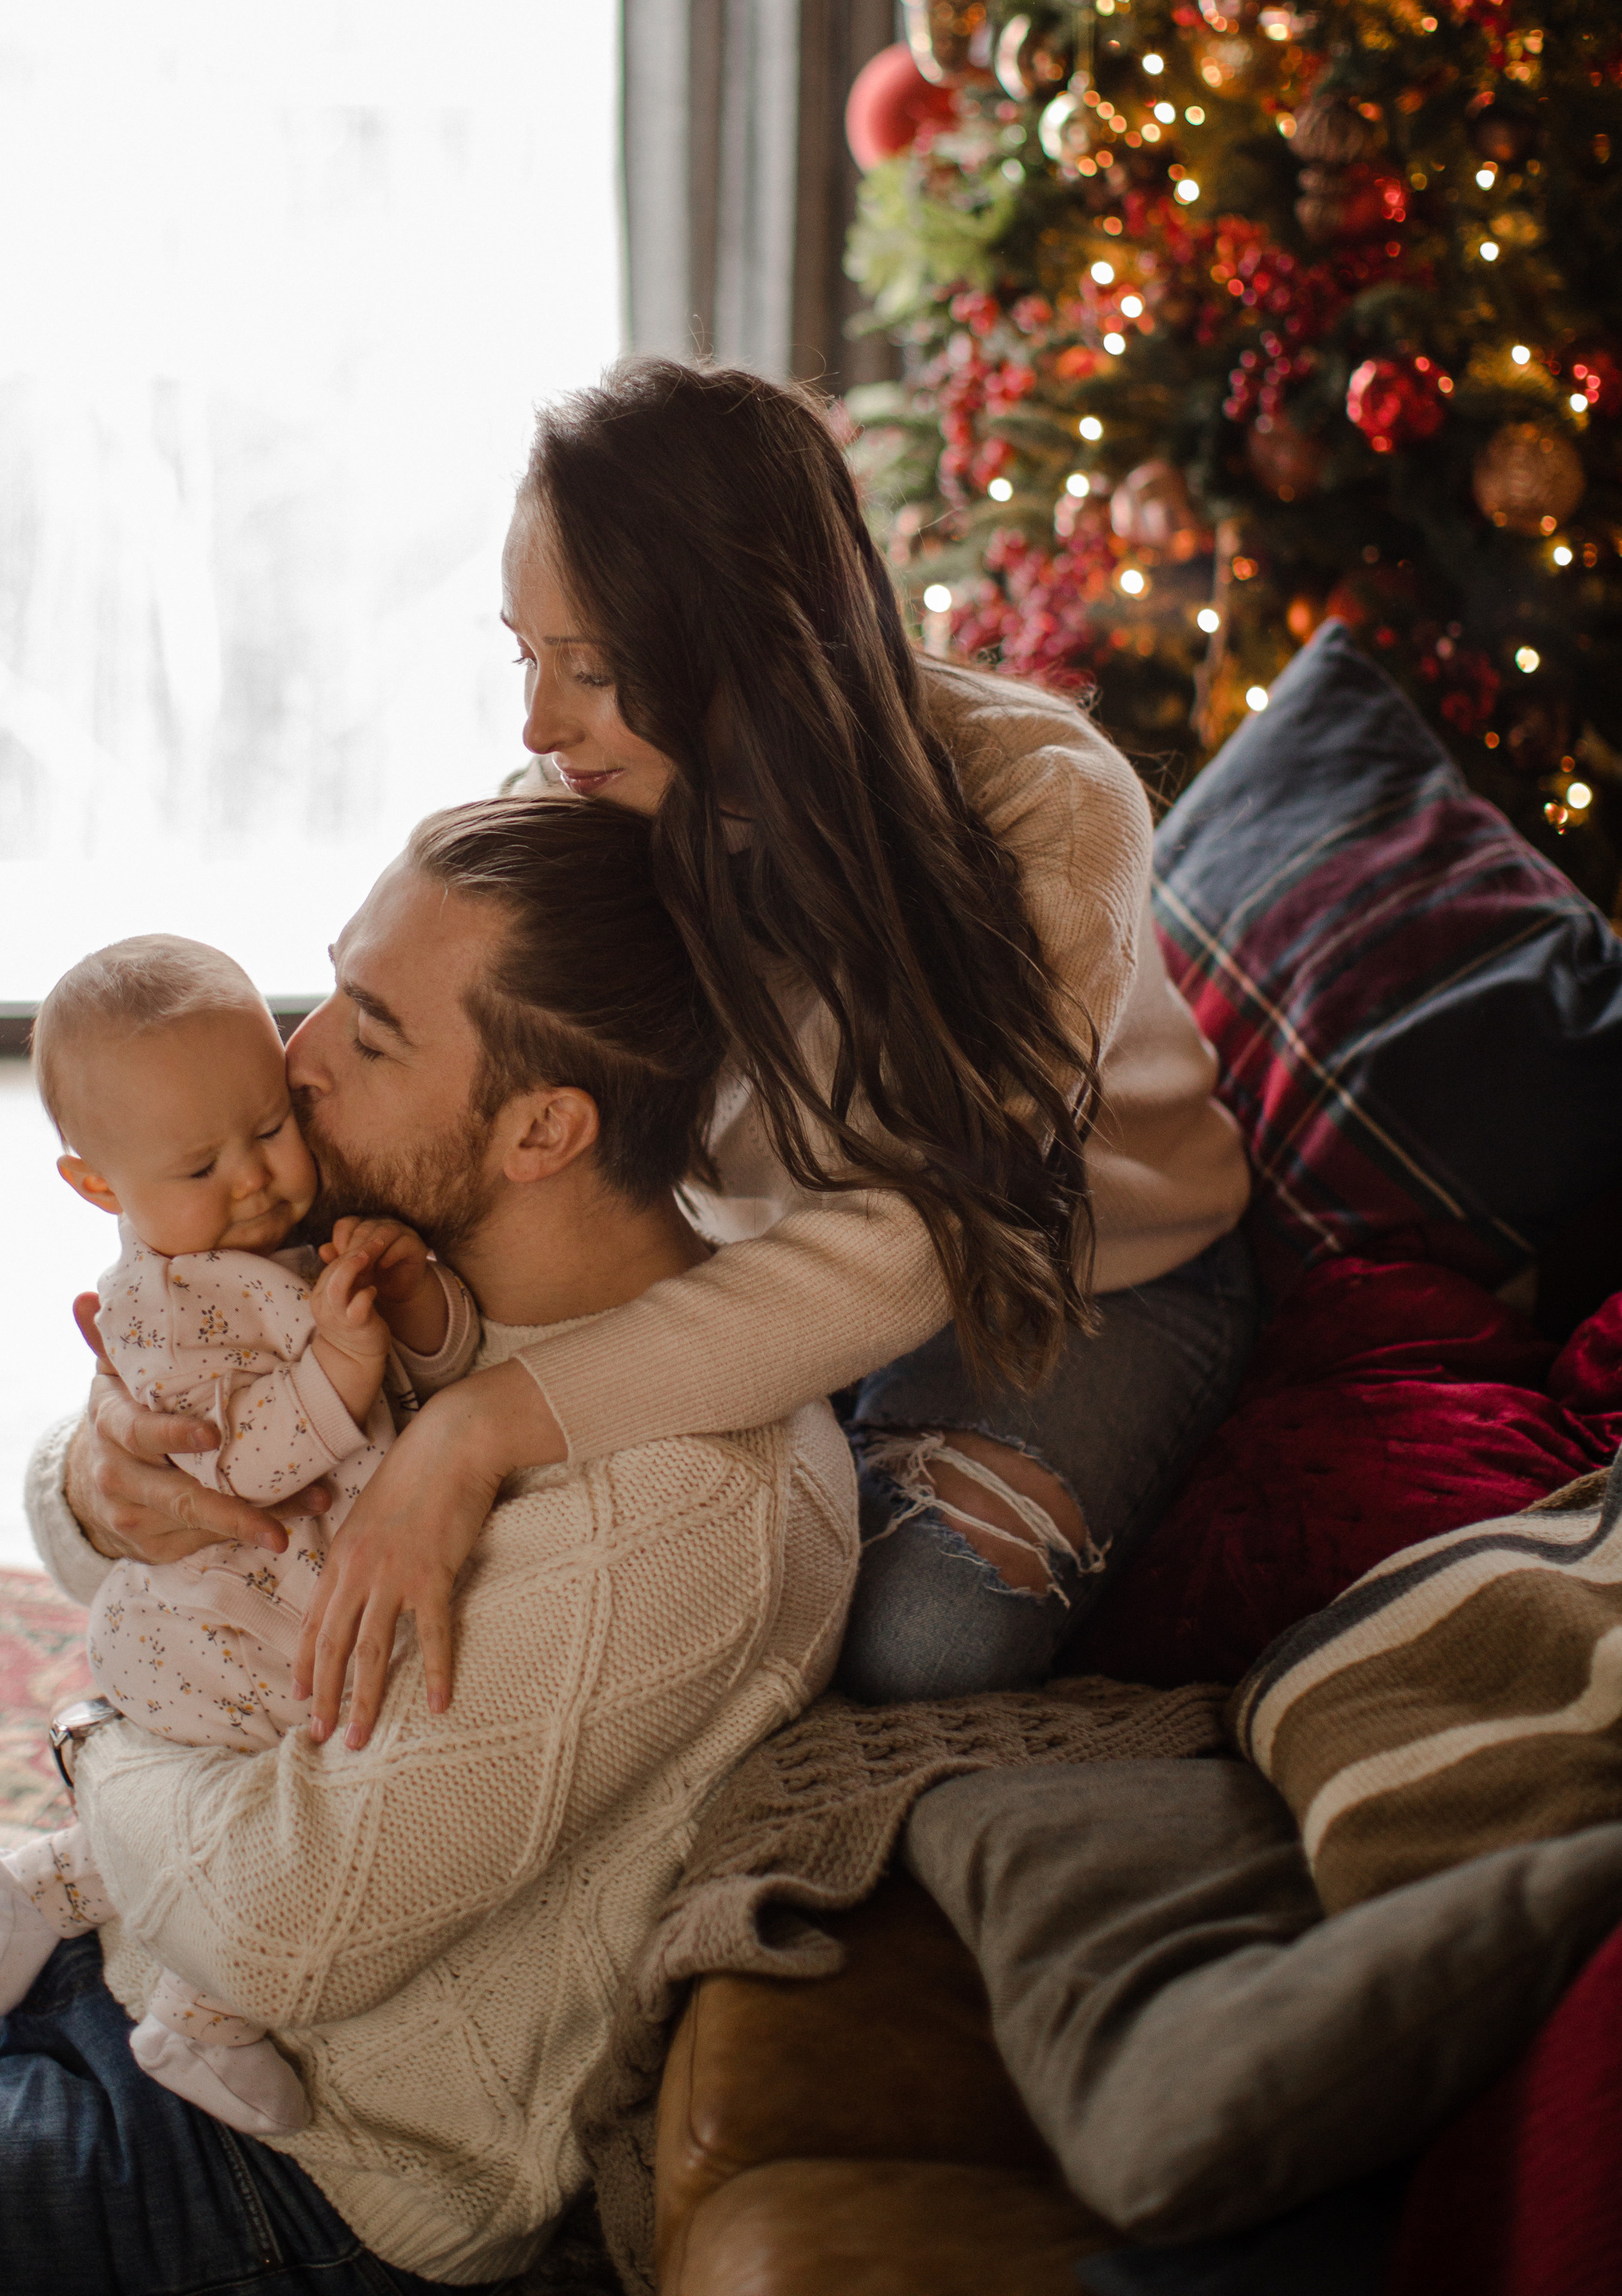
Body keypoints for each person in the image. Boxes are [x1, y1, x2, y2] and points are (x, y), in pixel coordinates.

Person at [0, 800, 857, 2296]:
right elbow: (126, 1534)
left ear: (542, 1129)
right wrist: (103, 1481)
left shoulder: (694, 1513)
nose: (297, 1061)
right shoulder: (392, 1246)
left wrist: (91, 1747)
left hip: (293, 2157)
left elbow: (281, 1931)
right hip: (110, 1921)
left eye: (370, 1033)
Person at [65, 360, 1256, 1728]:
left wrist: (477, 1426)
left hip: (1089, 1274)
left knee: (921, 1640)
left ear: (749, 639)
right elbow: (402, 1110)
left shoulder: (1048, 810)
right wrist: (106, 1456)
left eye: (593, 668)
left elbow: (911, 1245)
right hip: (750, 1272)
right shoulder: (583, 800)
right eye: (525, 656)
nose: (537, 724)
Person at [0, 930, 479, 2142]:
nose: (257, 1179)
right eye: (201, 1164)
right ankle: (201, 2019)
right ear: (100, 1189)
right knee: (283, 1792)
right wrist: (341, 1367)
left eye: (270, 1126)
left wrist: (414, 1305)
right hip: (221, 1622)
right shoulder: (161, 1302)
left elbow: (443, 1363)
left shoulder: (283, 1229)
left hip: (284, 1597)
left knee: (277, 1795)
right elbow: (230, 1467)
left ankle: (38, 1887)